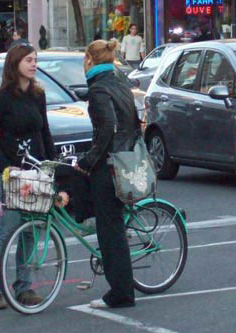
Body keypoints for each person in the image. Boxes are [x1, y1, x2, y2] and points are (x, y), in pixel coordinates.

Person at [0, 43, 56, 310]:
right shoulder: (1, 98)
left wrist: (51, 164)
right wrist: (5, 167)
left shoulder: (38, 95)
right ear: (15, 64)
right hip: (13, 173)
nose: (33, 64)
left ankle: (23, 286)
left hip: (36, 170)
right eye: (28, 60)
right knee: (7, 230)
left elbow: (45, 131)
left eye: (35, 59)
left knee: (30, 232)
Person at [74, 38, 141, 308]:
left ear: (89, 59)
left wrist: (89, 160)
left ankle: (121, 292)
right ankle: (121, 287)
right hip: (124, 158)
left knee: (110, 229)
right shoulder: (118, 80)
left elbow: (107, 129)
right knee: (112, 225)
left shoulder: (99, 88)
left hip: (110, 164)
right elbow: (133, 120)